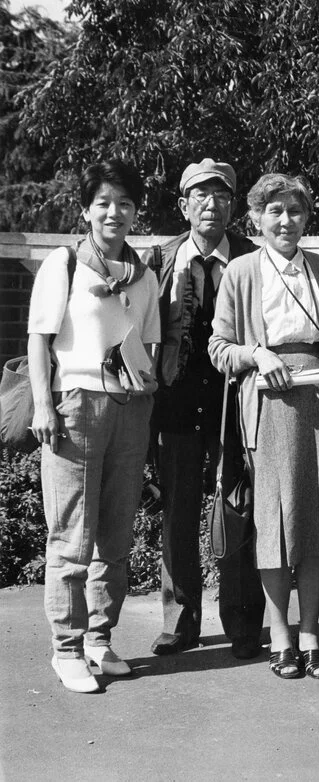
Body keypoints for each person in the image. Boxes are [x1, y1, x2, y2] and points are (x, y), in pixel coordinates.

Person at [209, 173, 319, 680]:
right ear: (254, 218)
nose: (285, 221)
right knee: (273, 522)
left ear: (306, 217)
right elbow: (218, 347)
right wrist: (255, 354)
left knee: (316, 521)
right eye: (274, 211)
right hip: (267, 408)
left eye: (294, 211)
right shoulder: (242, 272)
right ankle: (280, 632)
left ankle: (311, 631)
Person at [27, 160, 160, 693]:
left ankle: (99, 640)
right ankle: (66, 647)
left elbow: (148, 346)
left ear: (135, 212)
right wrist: (43, 404)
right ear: (86, 210)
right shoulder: (63, 265)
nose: (114, 212)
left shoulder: (145, 276)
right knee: (72, 535)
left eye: (124, 203)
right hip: (76, 405)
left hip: (131, 408)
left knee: (116, 535)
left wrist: (146, 380)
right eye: (103, 202)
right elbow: (39, 338)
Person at [145, 158, 265, 660]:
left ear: (233, 206)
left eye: (220, 196)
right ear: (183, 205)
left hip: (236, 401)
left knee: (237, 505)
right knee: (178, 509)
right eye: (200, 196)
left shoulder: (254, 260)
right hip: (176, 399)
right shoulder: (160, 260)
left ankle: (241, 623)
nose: (210, 205)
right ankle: (181, 619)